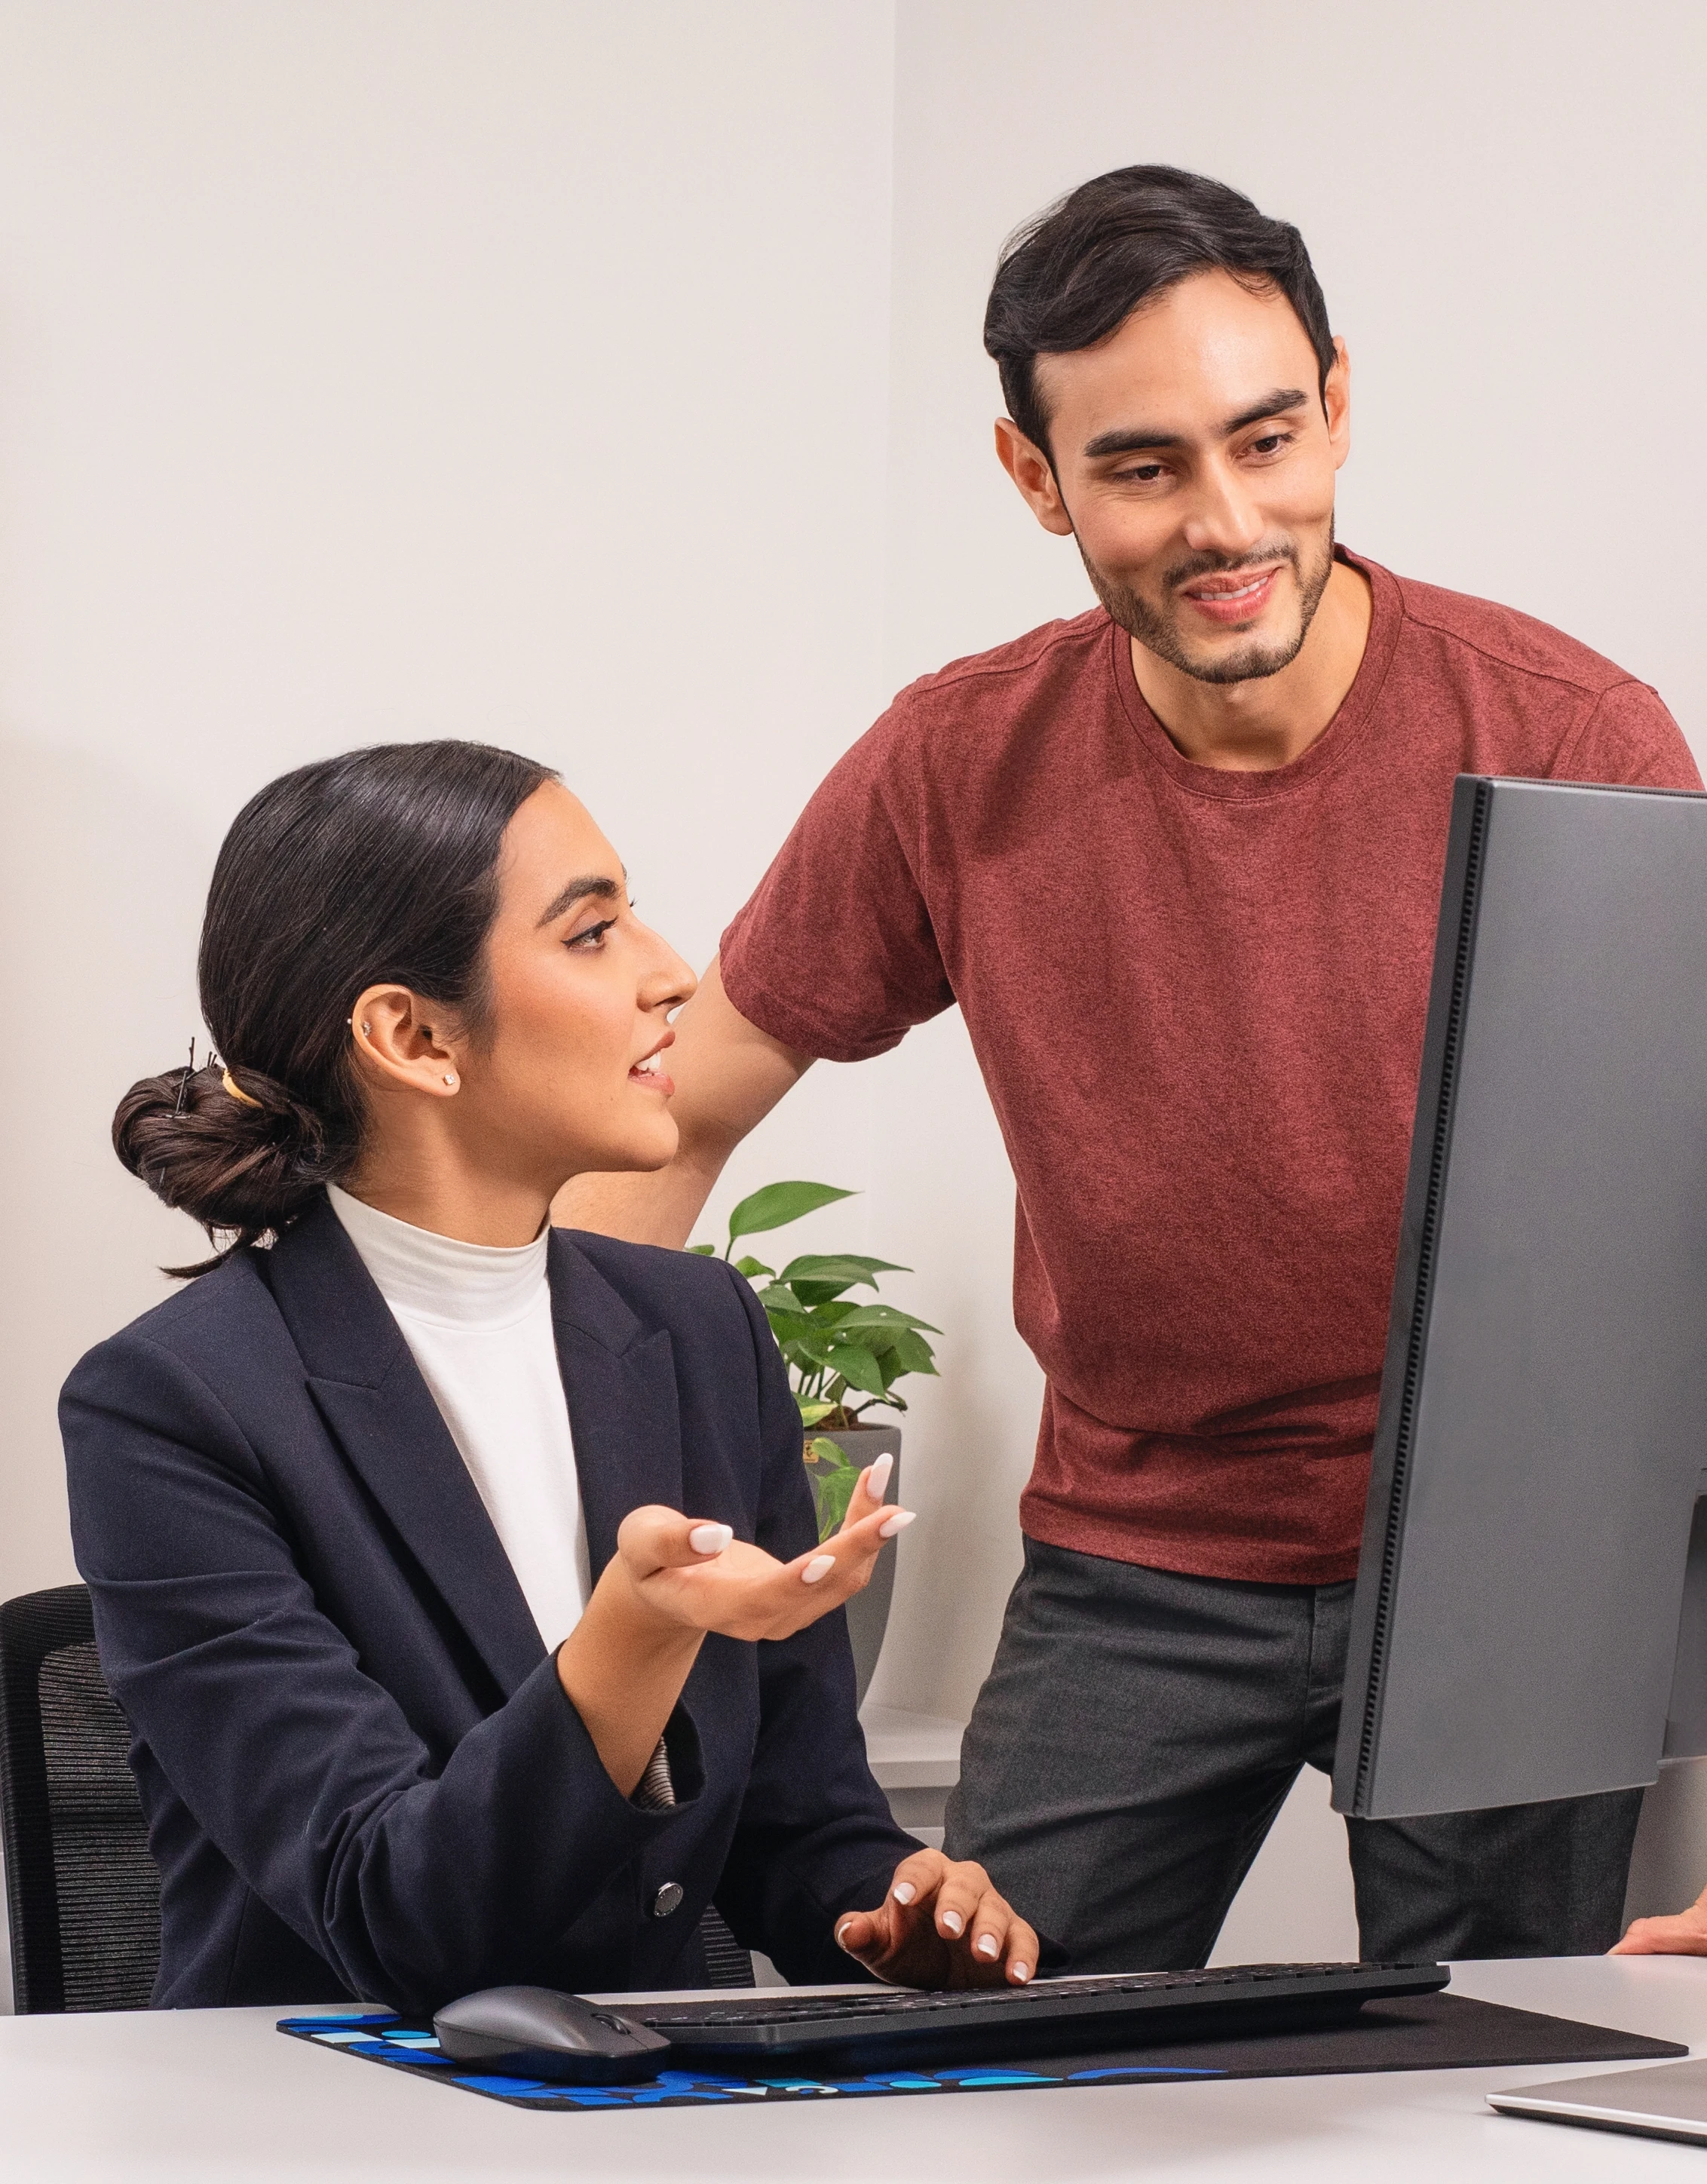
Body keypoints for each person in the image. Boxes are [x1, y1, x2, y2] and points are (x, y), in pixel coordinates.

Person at [557, 164, 1702, 1971]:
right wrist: (602, 1519)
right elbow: (672, 1107)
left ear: (1337, 401)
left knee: (1484, 2081)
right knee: (966, 2040)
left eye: (1266, 437)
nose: (1227, 519)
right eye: (1144, 465)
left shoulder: (1571, 735)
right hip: (1138, 1555)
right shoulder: (953, 762)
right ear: (1037, 478)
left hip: (1512, 1572)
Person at [61, 740, 1041, 2011]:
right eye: (591, 934)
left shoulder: (699, 1330)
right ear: (414, 1037)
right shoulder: (172, 1407)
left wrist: (892, 1910)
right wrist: (637, 1630)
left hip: (641, 2102)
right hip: (328, 2116)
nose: (673, 973)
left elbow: (799, 1827)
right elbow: (396, 1919)